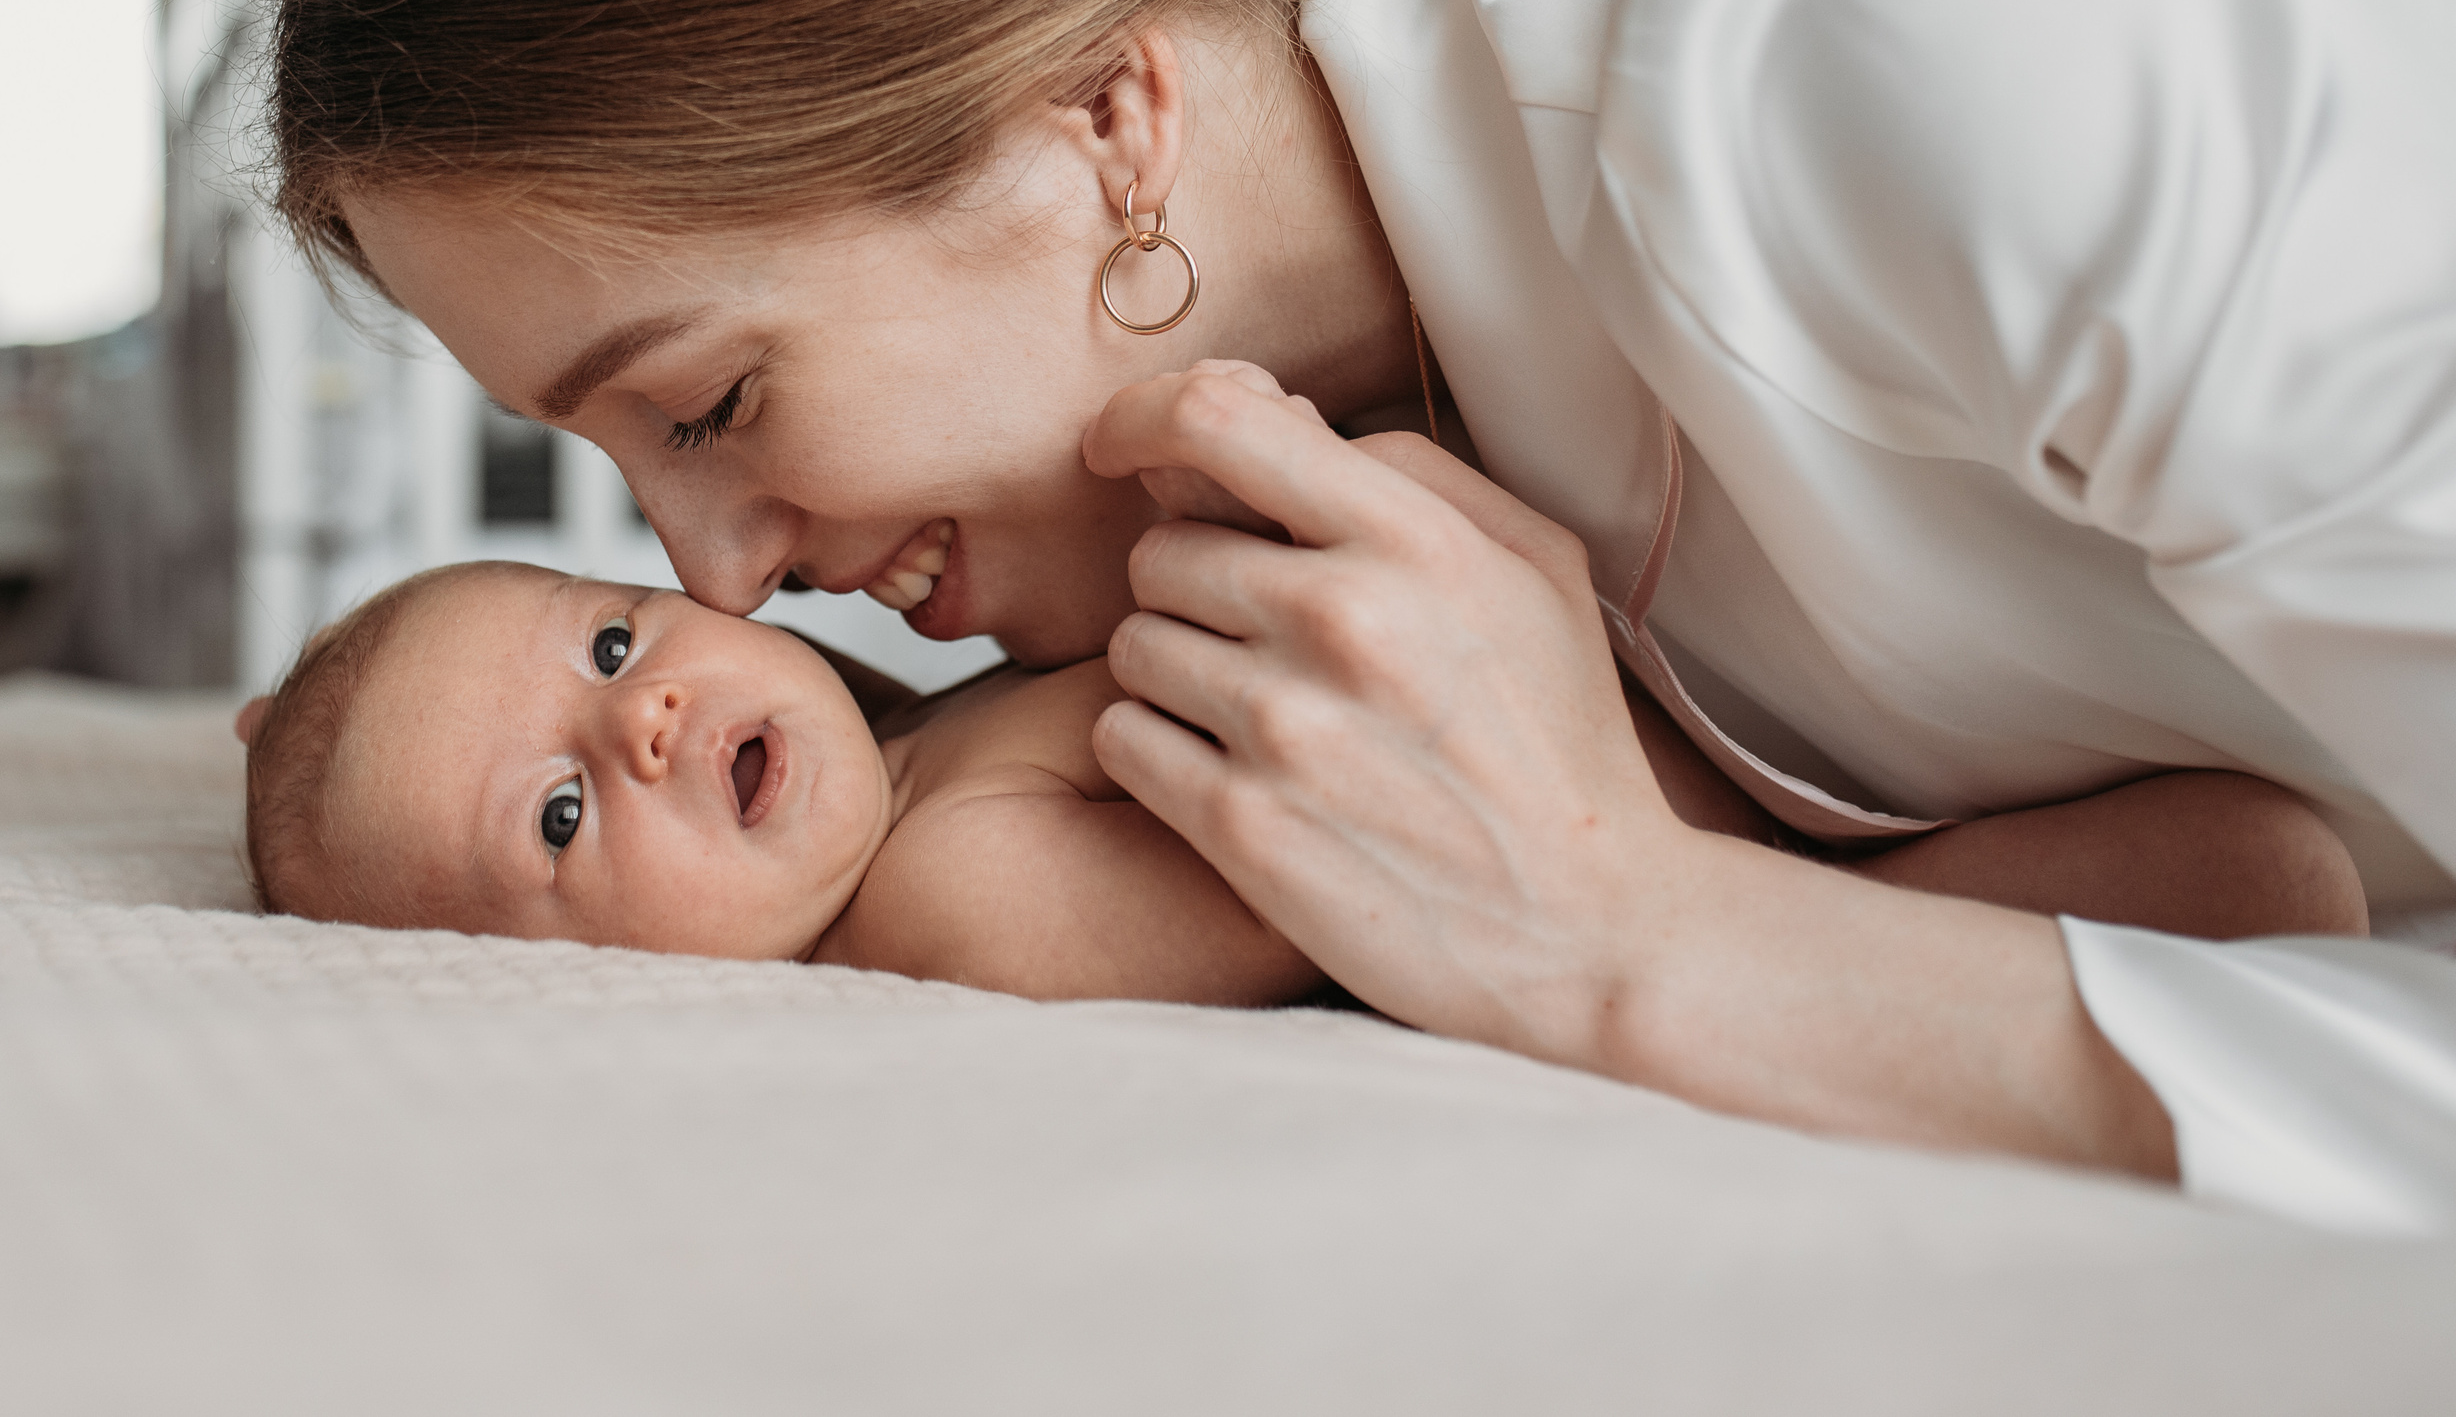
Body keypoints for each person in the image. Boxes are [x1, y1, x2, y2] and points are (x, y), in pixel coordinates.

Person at [267, 0, 2456, 1231]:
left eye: (713, 405)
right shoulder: (1296, 499)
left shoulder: (1918, 12)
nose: (719, 585)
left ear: (1095, 125)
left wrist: (1629, 933)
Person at [235, 495, 2358, 990]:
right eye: (559, 805)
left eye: (606, 639)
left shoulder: (949, 755)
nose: (654, 706)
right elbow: (1330, 893)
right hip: (1745, 845)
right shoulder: (950, 899)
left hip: (1715, 727)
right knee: (2258, 874)